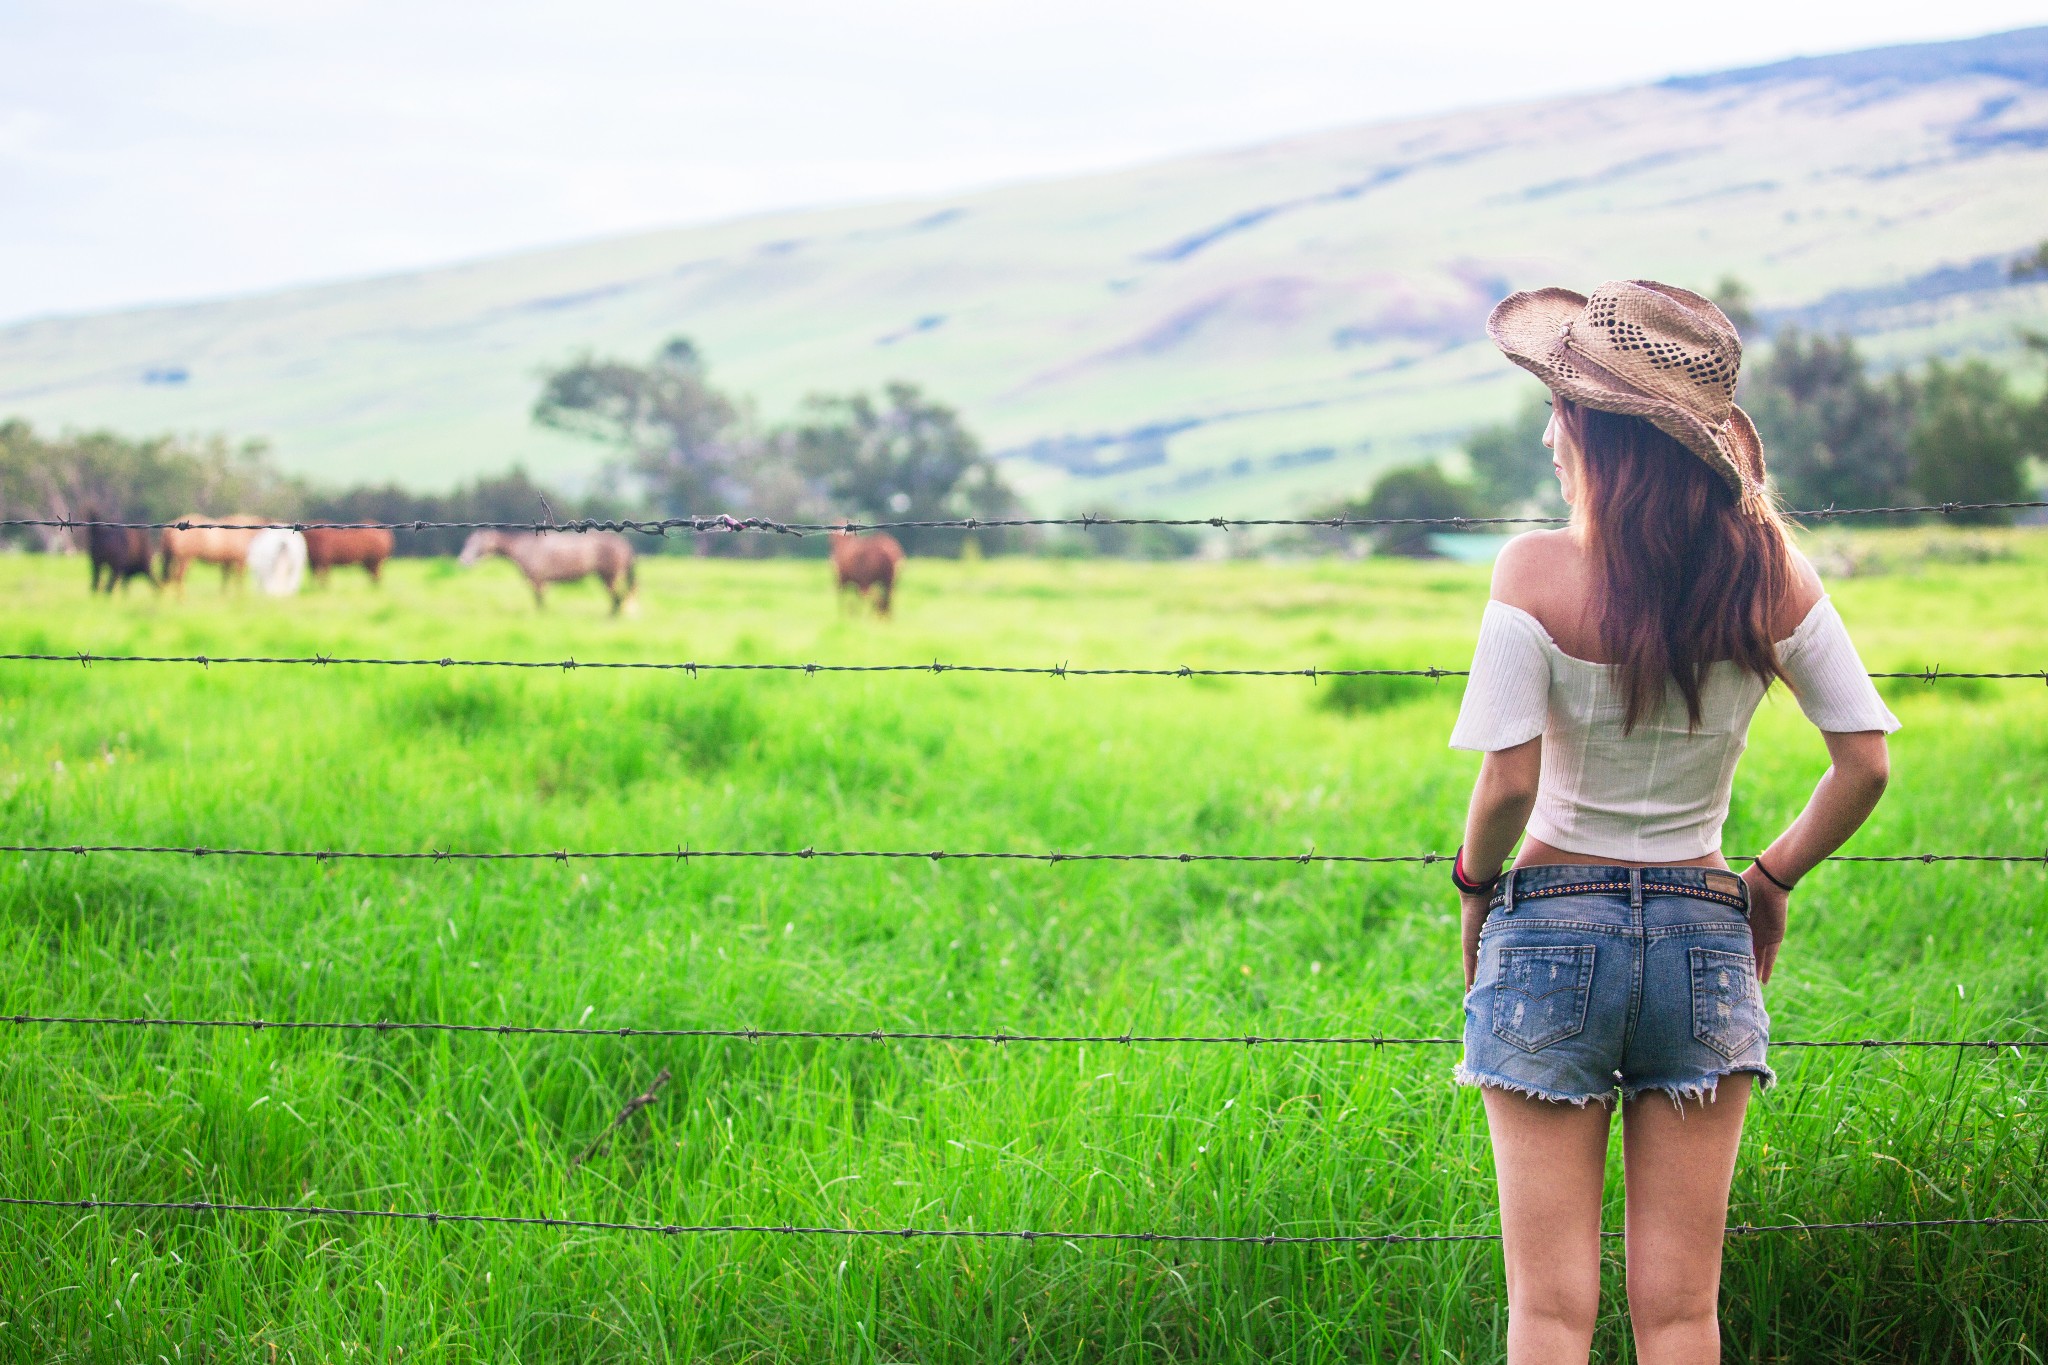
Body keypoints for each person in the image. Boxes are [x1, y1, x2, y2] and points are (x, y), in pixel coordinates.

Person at [1448, 281, 1898, 1364]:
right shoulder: (1768, 572)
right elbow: (1864, 763)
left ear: (1594, 434)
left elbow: (1507, 784)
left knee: (1549, 1311)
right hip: (1703, 935)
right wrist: (1771, 880)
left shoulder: (1532, 570)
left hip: (1549, 926)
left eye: (1560, 410)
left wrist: (1472, 891)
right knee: (1681, 1312)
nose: (1548, 431)